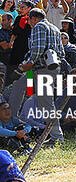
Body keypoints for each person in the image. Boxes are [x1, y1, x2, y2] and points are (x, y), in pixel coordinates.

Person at [7, 8, 65, 143]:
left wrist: (29, 63)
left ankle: (57, 137)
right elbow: (61, 53)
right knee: (18, 87)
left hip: (40, 68)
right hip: (44, 69)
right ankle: (12, 124)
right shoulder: (55, 28)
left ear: (33, 18)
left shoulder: (39, 26)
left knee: (46, 103)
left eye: (29, 20)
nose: (29, 23)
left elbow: (37, 49)